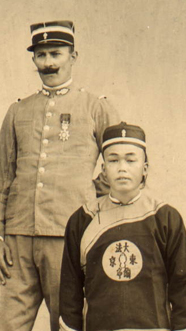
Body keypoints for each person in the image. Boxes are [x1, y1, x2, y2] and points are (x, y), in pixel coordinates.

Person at [0, 20, 120, 331]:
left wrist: (89, 194)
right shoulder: (17, 111)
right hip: (17, 237)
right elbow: (3, 177)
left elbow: (122, 163)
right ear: (34, 60)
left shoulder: (95, 106)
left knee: (66, 322)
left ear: (73, 56)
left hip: (66, 234)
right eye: (41, 55)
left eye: (56, 53)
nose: (49, 63)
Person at [59, 122, 186, 331]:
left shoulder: (164, 217)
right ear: (104, 169)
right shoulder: (83, 219)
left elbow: (184, 287)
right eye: (113, 160)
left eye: (130, 160)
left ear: (145, 168)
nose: (122, 168)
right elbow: (70, 292)